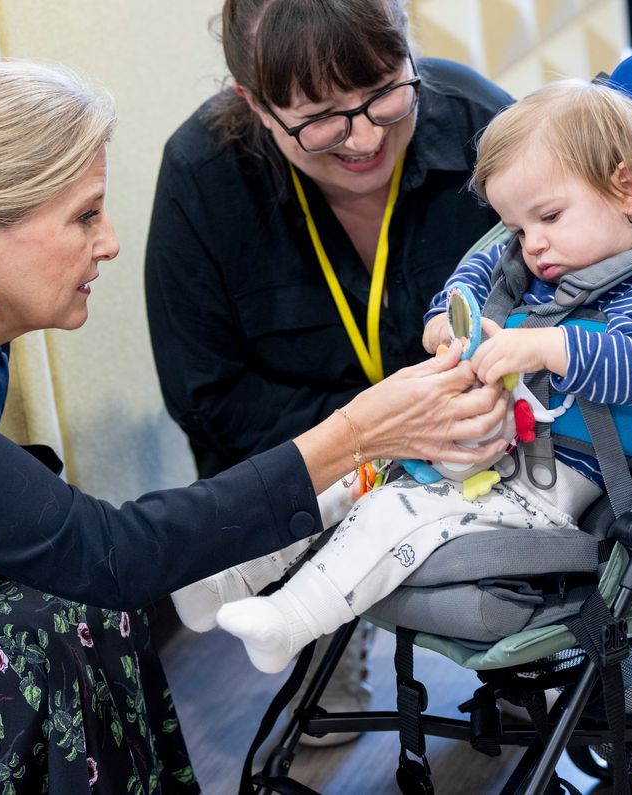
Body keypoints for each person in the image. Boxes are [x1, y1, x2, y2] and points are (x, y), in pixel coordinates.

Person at [0, 61, 506, 792]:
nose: (107, 242)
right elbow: (110, 552)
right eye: (85, 216)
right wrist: (358, 432)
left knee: (78, 607)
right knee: (28, 650)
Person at [208, 78, 632, 674]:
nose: (532, 245)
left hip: (550, 484)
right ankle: (235, 575)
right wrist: (447, 316)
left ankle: (291, 620)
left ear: (626, 189)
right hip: (485, 450)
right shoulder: (541, 269)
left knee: (392, 513)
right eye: (519, 228)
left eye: (547, 217)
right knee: (349, 474)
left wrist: (547, 345)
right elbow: (481, 265)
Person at [144, 0, 511, 739]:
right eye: (320, 117)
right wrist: (374, 432)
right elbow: (207, 394)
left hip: (483, 448)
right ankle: (311, 622)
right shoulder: (203, 176)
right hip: (311, 469)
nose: (365, 135)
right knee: (323, 720)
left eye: (382, 91)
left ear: (410, 47)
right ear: (253, 103)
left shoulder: (480, 124)